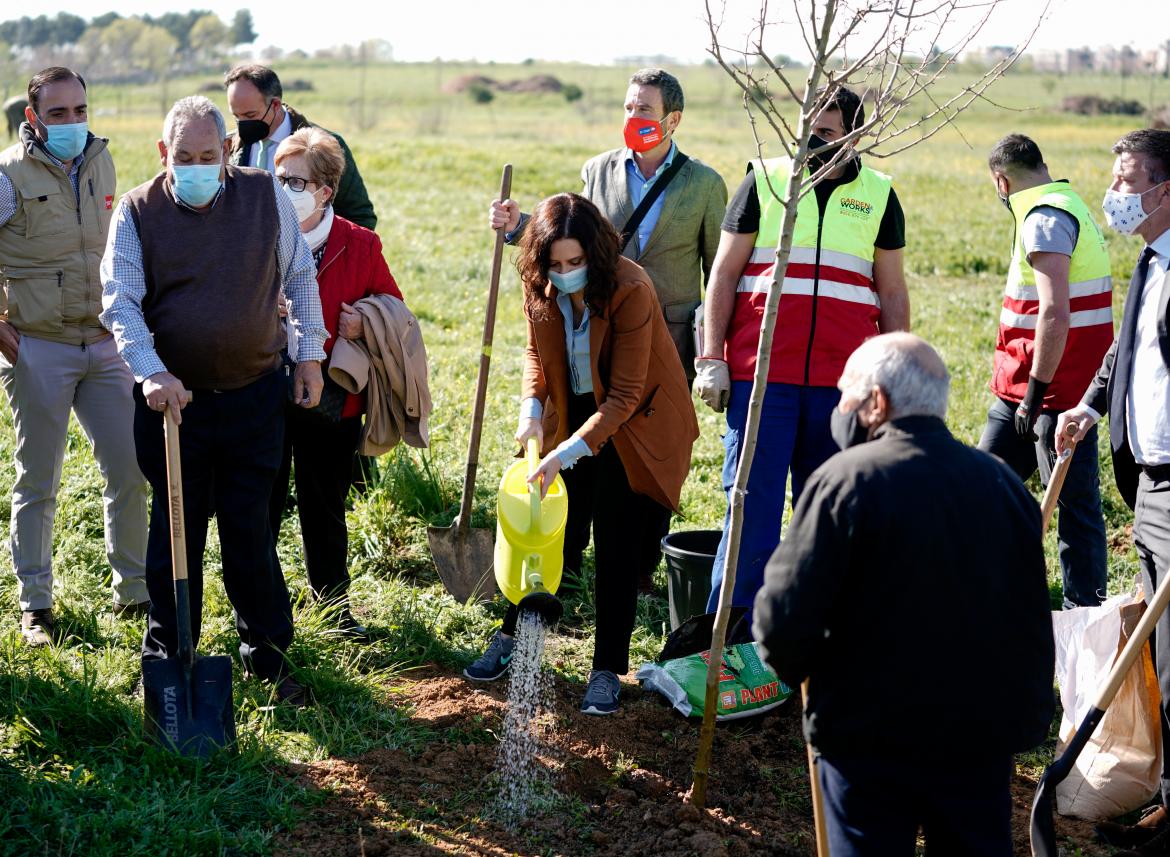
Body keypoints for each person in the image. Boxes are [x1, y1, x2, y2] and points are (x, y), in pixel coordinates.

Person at [754, 332, 1054, 857]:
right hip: (978, 746)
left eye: (844, 394)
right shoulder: (1005, 485)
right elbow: (1031, 621)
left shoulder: (844, 481)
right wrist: (1022, 724)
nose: (838, 407)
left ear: (877, 403)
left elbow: (781, 618)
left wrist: (805, 674)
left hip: (868, 740)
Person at [100, 95, 329, 707]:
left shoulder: (263, 196)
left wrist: (308, 354)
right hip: (175, 408)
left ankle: (268, 657)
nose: (196, 166)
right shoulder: (138, 210)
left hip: (255, 397)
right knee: (174, 532)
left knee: (250, 533)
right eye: (183, 157)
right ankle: (170, 656)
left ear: (227, 151)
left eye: (208, 154)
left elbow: (299, 276)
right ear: (163, 154)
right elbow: (120, 301)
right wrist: (151, 374)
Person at [489, 68, 725, 593]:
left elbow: (719, 271)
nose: (633, 118)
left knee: (647, 444)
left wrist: (714, 353)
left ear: (672, 120)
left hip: (668, 339)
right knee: (591, 430)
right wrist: (518, 223)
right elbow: (571, 236)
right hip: (596, 331)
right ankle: (569, 556)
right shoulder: (598, 170)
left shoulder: (704, 184)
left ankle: (639, 563)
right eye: (628, 107)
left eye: (645, 110)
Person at [464, 193, 698, 715]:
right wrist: (531, 410)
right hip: (573, 407)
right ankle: (513, 639)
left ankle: (607, 670)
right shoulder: (538, 278)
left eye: (577, 263)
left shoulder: (632, 288)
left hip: (636, 423)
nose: (566, 273)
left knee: (616, 544)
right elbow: (535, 350)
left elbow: (625, 396)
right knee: (546, 535)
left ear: (597, 254)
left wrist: (564, 454)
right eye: (556, 264)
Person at [696, 85, 910, 618]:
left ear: (855, 136)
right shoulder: (763, 180)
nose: (813, 141)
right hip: (760, 380)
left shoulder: (880, 195)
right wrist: (711, 357)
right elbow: (723, 274)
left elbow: (892, 292)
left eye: (828, 133)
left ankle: (819, 636)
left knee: (830, 515)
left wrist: (893, 378)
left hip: (843, 389)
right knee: (750, 510)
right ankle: (736, 636)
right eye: (808, 129)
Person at [0, 67, 148, 645]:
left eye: (80, 110)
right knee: (38, 481)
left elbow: (117, 246)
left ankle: (134, 593)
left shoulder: (103, 162)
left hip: (104, 342)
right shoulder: (8, 174)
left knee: (131, 472)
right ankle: (35, 604)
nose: (72, 122)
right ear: (33, 117)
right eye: (58, 113)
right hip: (39, 346)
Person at [1058, 129, 1170, 857]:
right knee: (1160, 640)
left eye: (1128, 181)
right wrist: (1092, 405)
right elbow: (1125, 347)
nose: (1116, 194)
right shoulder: (1153, 259)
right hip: (1151, 482)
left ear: (1165, 191)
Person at [267, 127, 403, 639]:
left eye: (295, 180)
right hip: (266, 389)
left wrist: (361, 321)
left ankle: (332, 608)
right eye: (278, 177)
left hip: (334, 396)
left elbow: (395, 307)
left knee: (324, 505)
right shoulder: (257, 233)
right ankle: (266, 610)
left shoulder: (359, 244)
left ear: (325, 190)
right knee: (263, 504)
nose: (283, 188)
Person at [977, 133, 1113, 609]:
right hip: (1026, 388)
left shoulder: (1044, 219)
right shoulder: (1067, 200)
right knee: (980, 490)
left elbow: (1054, 313)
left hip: (1053, 393)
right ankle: (979, 592)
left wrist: (1035, 395)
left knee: (1075, 510)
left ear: (1001, 180)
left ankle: (1085, 614)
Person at [225, 64, 376, 229]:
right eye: (237, 116)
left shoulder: (328, 146)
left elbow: (359, 216)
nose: (243, 124)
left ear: (275, 104)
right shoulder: (228, 147)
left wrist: (326, 253)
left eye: (250, 115)